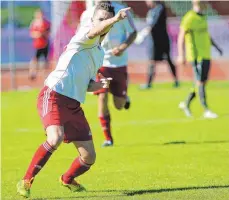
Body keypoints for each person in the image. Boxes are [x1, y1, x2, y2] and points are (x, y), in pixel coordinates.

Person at [17, 3, 131, 198]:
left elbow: (87, 84)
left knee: (89, 157)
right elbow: (97, 29)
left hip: (73, 105)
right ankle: (26, 181)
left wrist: (98, 85)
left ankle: (67, 179)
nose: (103, 22)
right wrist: (115, 18)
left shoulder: (99, 53)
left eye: (107, 19)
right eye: (100, 19)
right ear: (93, 21)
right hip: (53, 95)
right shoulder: (85, 34)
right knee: (55, 138)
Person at [81, 1, 137, 147]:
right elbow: (82, 36)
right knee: (102, 96)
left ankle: (124, 96)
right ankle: (108, 138)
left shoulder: (122, 11)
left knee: (119, 105)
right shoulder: (88, 14)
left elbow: (133, 32)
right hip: (100, 64)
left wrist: (122, 47)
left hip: (118, 63)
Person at [177, 0, 223, 119]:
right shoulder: (189, 18)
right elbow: (181, 36)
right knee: (200, 82)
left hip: (206, 54)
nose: (207, 4)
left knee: (200, 82)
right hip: (196, 56)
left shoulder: (203, 17)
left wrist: (217, 47)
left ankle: (186, 104)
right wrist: (181, 55)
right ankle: (206, 109)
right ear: (198, 3)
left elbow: (206, 35)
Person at [135, 1, 179, 89]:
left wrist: (144, 33)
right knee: (152, 61)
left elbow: (154, 24)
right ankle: (148, 83)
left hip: (162, 40)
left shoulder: (160, 8)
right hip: (153, 41)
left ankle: (176, 81)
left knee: (168, 59)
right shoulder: (151, 11)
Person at [29, 9, 50, 80]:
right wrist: (38, 34)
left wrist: (42, 34)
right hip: (37, 45)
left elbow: (47, 33)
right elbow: (32, 33)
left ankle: (45, 74)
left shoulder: (46, 23)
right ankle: (33, 73)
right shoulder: (34, 23)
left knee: (45, 60)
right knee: (35, 59)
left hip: (45, 44)